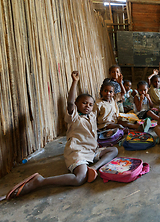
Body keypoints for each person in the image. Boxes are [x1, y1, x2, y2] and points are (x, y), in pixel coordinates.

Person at [5, 71, 118, 200]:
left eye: (90, 104)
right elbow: (70, 103)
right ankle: (40, 181)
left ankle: (94, 168)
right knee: (79, 179)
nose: (87, 106)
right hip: (78, 152)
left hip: (92, 151)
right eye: (84, 103)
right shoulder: (74, 117)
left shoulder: (91, 115)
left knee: (113, 150)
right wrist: (75, 82)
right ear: (77, 105)